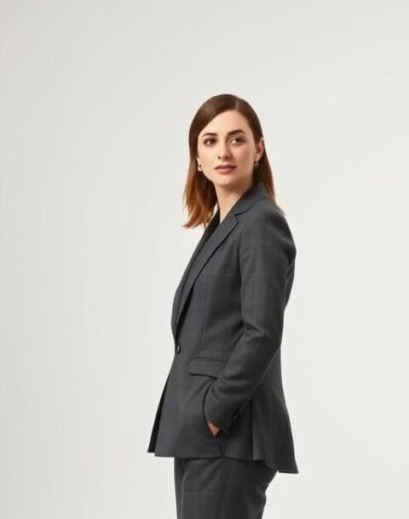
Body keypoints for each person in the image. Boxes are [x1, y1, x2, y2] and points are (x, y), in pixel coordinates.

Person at [148, 94, 297, 519]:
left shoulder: (261, 223)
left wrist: (214, 413)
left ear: (258, 149)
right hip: (203, 434)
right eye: (210, 141)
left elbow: (262, 332)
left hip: (228, 434)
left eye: (236, 139)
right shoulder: (223, 227)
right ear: (197, 157)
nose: (224, 152)